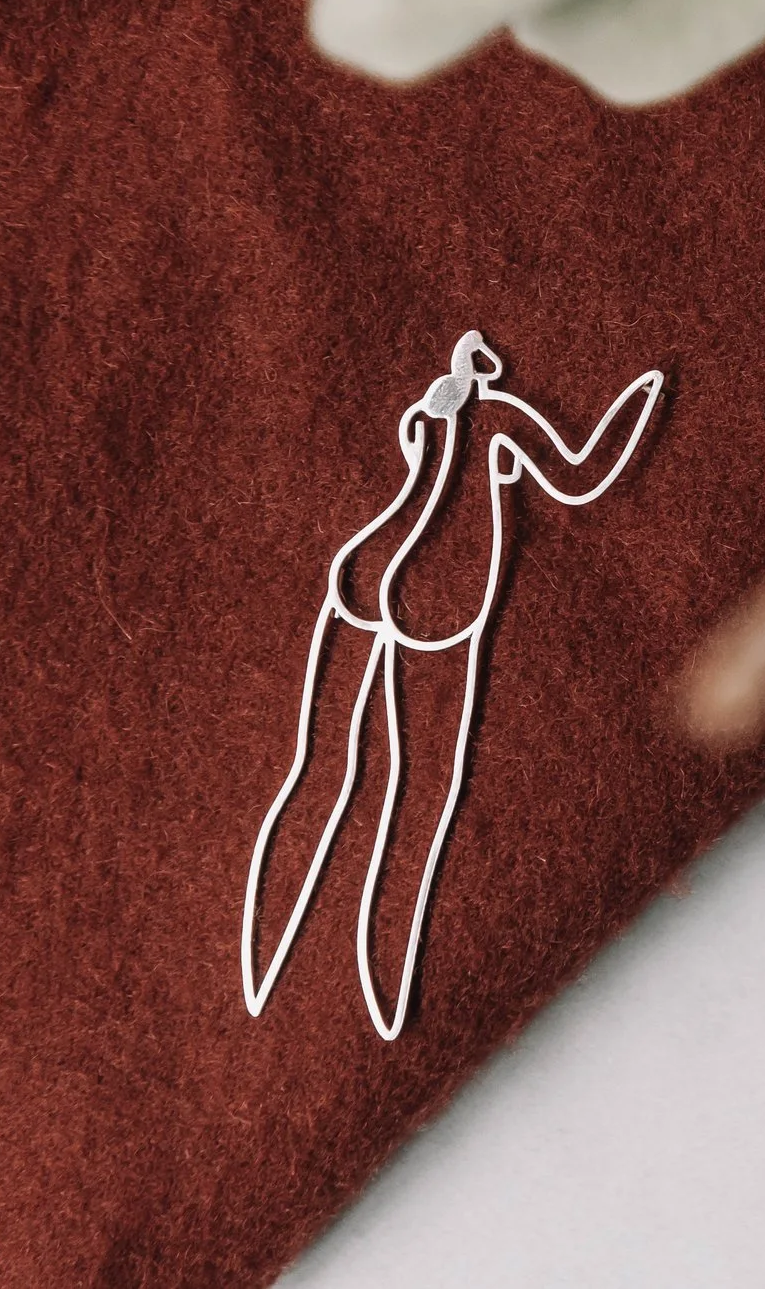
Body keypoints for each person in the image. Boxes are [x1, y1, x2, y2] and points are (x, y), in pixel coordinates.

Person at [241, 331, 663, 1039]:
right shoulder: (497, 416)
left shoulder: (437, 406)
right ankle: (379, 979)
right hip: (437, 599)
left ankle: (268, 956)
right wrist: (638, 403)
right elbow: (579, 473)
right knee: (420, 792)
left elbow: (423, 464)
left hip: (369, 569)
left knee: (324, 764)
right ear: (487, 366)